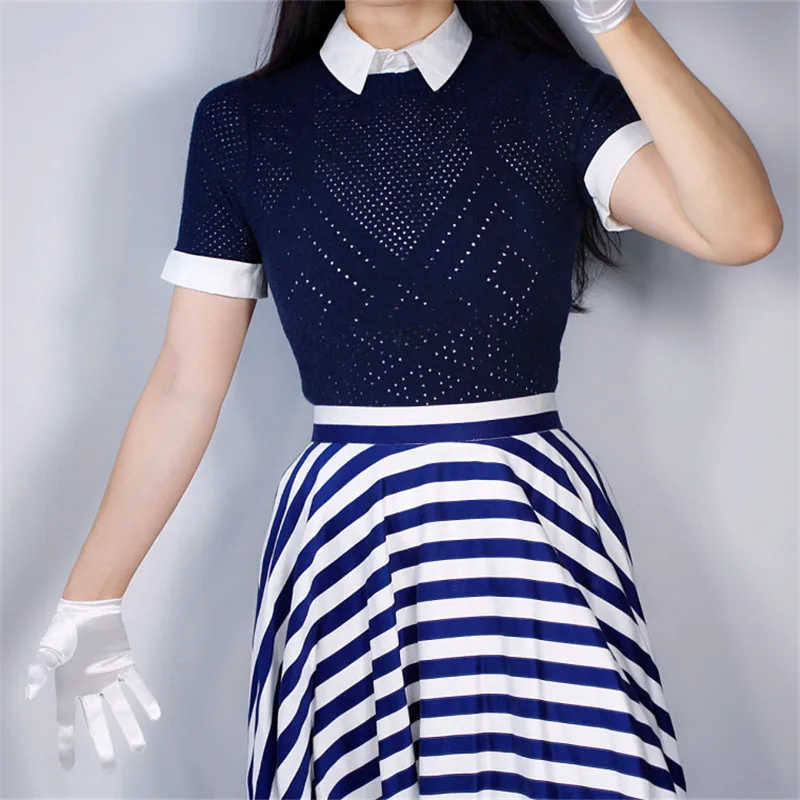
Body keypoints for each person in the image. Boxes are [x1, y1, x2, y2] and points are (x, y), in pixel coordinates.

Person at [25, 0, 783, 797]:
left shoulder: (553, 97)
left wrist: (614, 16)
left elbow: (741, 229)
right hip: (346, 534)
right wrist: (92, 597)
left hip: (528, 522)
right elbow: (185, 379)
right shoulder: (243, 124)